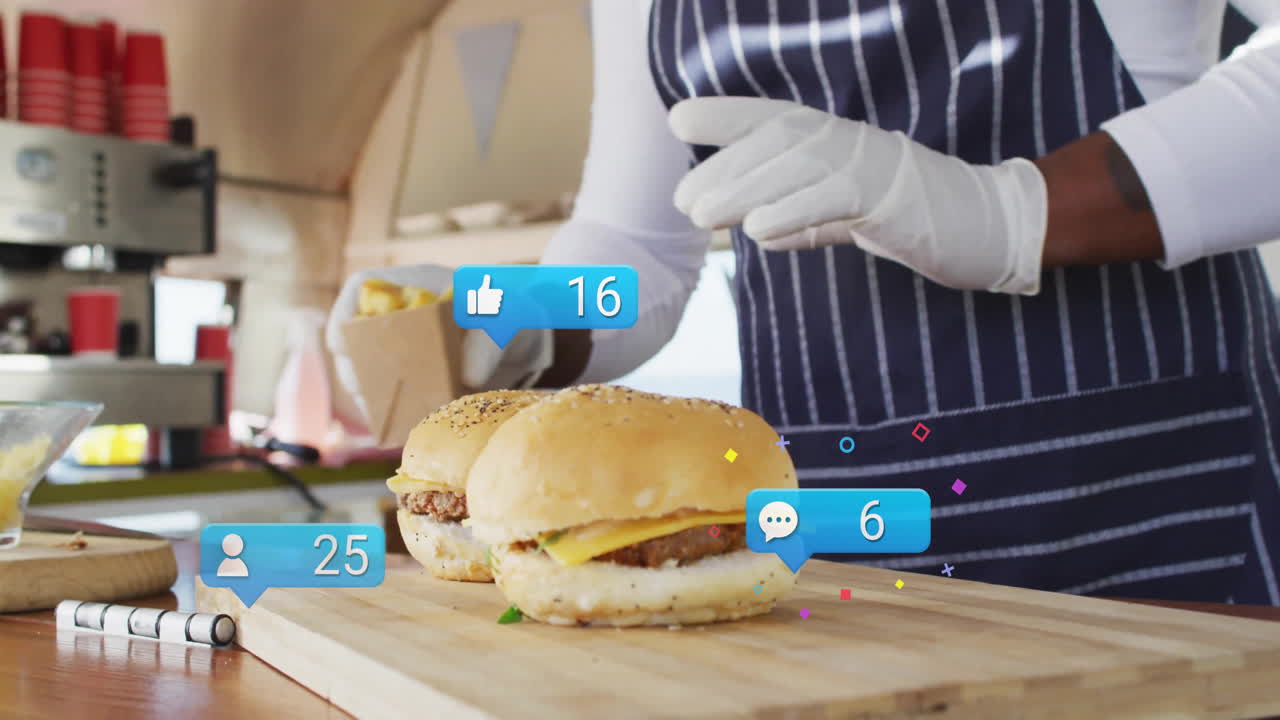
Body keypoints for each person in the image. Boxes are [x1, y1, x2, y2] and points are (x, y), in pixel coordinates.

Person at [330, 0, 1280, 604]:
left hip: (1141, 503)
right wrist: (518, 314)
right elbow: (639, 248)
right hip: (831, 522)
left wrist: (1009, 210)